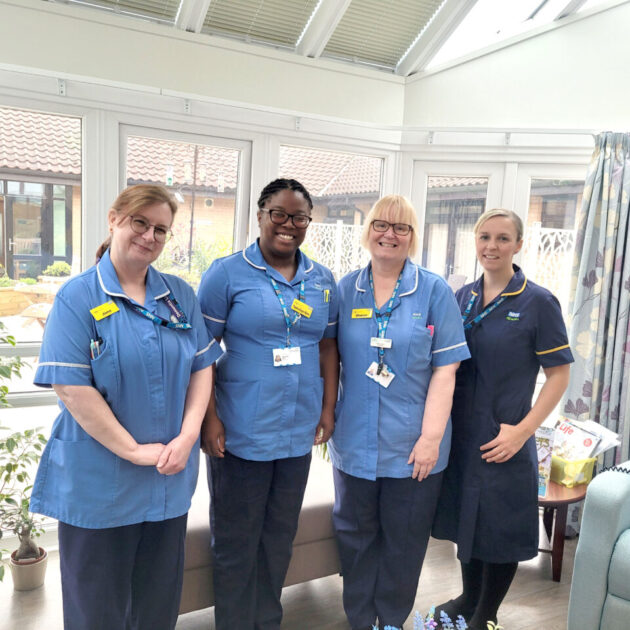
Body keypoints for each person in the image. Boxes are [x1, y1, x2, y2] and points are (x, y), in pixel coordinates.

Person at [30, 184, 220, 630]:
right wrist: (135, 451)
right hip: (99, 486)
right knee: (97, 610)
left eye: (161, 229)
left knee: (157, 607)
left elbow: (201, 368)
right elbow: (72, 388)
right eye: (140, 222)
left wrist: (190, 434)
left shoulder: (178, 295)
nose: (149, 236)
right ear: (115, 218)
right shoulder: (78, 298)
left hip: (166, 480)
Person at [197, 178, 339, 630]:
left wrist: (328, 408)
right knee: (237, 541)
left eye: (299, 217)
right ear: (260, 215)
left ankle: (267, 621)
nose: (288, 225)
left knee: (279, 537)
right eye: (279, 213)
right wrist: (209, 419)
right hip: (239, 431)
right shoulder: (226, 273)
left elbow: (327, 348)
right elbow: (201, 353)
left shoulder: (321, 280)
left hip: (297, 430)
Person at [328, 195, 470, 630]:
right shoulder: (344, 288)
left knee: (403, 545)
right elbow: (328, 356)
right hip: (353, 442)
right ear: (367, 230)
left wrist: (430, 439)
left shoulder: (433, 291)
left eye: (401, 227)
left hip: (413, 447)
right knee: (354, 541)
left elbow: (447, 371)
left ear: (413, 236)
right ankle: (359, 621)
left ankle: (389, 621)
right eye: (381, 225)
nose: (389, 234)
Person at [432, 209, 573, 630]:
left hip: (505, 435)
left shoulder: (539, 301)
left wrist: (523, 431)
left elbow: (559, 375)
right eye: (484, 237)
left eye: (502, 238)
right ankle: (468, 596)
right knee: (466, 519)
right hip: (462, 433)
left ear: (519, 244)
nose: (491, 246)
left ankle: (486, 613)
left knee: (500, 527)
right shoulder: (462, 297)